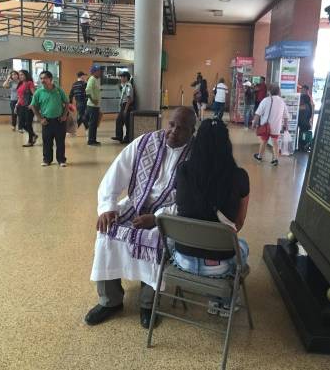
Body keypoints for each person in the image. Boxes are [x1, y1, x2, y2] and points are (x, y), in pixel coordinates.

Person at [86, 107, 197, 329]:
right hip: (135, 204)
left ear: (192, 131)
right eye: (171, 125)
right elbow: (115, 174)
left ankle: (148, 304)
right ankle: (110, 301)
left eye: (182, 128)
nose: (173, 131)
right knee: (107, 230)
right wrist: (107, 207)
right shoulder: (145, 143)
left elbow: (192, 201)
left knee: (156, 240)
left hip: (168, 215)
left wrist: (157, 218)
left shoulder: (197, 156)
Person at [173, 118, 250, 316]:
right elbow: (237, 225)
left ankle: (213, 295)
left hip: (183, 260)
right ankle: (222, 300)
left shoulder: (183, 171)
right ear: (227, 145)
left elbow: (179, 203)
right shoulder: (239, 177)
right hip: (218, 266)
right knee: (242, 247)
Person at [29, 71, 70, 167]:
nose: (42, 80)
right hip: (46, 121)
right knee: (47, 142)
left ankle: (61, 160)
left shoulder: (59, 91)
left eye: (45, 78)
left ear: (51, 79)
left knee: (60, 142)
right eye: (41, 78)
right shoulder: (39, 92)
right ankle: (47, 160)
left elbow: (67, 103)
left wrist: (64, 115)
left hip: (59, 121)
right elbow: (33, 105)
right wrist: (40, 118)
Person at [253, 84, 289, 166]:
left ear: (269, 91)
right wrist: (286, 126)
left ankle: (259, 156)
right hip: (276, 126)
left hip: (266, 126)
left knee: (264, 141)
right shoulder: (282, 101)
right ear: (278, 91)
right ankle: (276, 159)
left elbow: (258, 114)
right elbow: (286, 116)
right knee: (275, 142)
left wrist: (254, 123)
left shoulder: (266, 100)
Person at [16, 70, 38, 147]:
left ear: (26, 75)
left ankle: (30, 141)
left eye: (22, 74)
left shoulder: (29, 83)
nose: (20, 76)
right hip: (21, 106)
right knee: (21, 124)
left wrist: (32, 104)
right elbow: (20, 96)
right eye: (19, 75)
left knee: (28, 124)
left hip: (28, 106)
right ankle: (34, 135)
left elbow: (35, 95)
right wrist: (17, 105)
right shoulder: (20, 84)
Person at [112, 71, 133, 144]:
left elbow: (129, 98)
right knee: (119, 121)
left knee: (127, 123)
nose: (121, 78)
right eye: (121, 77)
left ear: (126, 78)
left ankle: (127, 138)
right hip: (123, 106)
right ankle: (119, 136)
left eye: (122, 77)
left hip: (126, 106)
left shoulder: (128, 86)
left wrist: (126, 109)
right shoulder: (124, 85)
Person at [86, 64, 101, 146]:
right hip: (92, 105)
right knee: (92, 123)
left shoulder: (96, 79)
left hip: (96, 105)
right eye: (98, 71)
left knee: (94, 123)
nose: (100, 72)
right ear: (94, 72)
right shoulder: (92, 79)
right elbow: (87, 91)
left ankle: (93, 139)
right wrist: (93, 100)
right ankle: (91, 140)